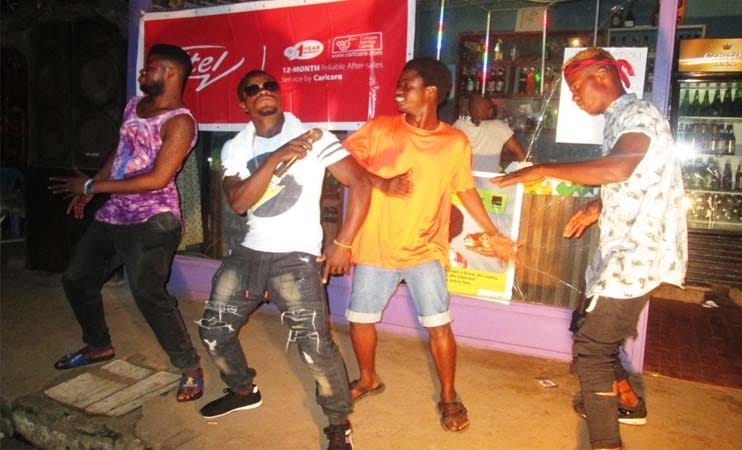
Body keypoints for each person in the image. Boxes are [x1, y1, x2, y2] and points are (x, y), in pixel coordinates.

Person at [195, 70, 407, 450]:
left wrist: (343, 243)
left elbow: (360, 182)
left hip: (296, 255)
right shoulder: (235, 147)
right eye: (253, 89)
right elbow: (239, 202)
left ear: (280, 94)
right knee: (213, 330)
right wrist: (276, 158)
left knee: (316, 346)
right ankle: (242, 390)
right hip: (250, 250)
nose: (263, 92)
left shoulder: (315, 137)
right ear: (244, 103)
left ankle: (338, 423)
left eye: (270, 86)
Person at [494, 48, 687, 450]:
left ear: (601, 75)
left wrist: (542, 169)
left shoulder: (637, 114)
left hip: (637, 252)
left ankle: (605, 442)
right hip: (622, 246)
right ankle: (627, 401)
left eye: (576, 87)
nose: (575, 97)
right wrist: (598, 205)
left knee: (592, 350)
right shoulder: (620, 117)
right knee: (584, 324)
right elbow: (637, 175)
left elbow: (618, 168)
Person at [342, 57, 517, 433]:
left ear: (432, 92)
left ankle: (449, 396)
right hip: (376, 244)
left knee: (438, 325)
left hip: (425, 248)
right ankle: (368, 378)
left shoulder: (454, 142)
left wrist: (493, 232)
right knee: (360, 320)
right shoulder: (380, 128)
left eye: (407, 84)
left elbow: (466, 190)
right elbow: (341, 164)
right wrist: (380, 182)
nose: (398, 90)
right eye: (398, 84)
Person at [48, 44, 205, 402]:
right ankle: (98, 345)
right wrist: (94, 189)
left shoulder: (180, 122)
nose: (142, 72)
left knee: (148, 294)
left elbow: (157, 179)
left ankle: (190, 367)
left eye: (150, 67)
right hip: (115, 211)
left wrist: (91, 186)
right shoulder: (135, 105)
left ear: (170, 72)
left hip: (154, 219)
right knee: (77, 278)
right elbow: (120, 154)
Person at [453, 93, 527, 172]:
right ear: (490, 111)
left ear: (468, 111)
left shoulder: (458, 125)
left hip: (462, 178)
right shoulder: (499, 127)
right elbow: (521, 155)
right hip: (489, 179)